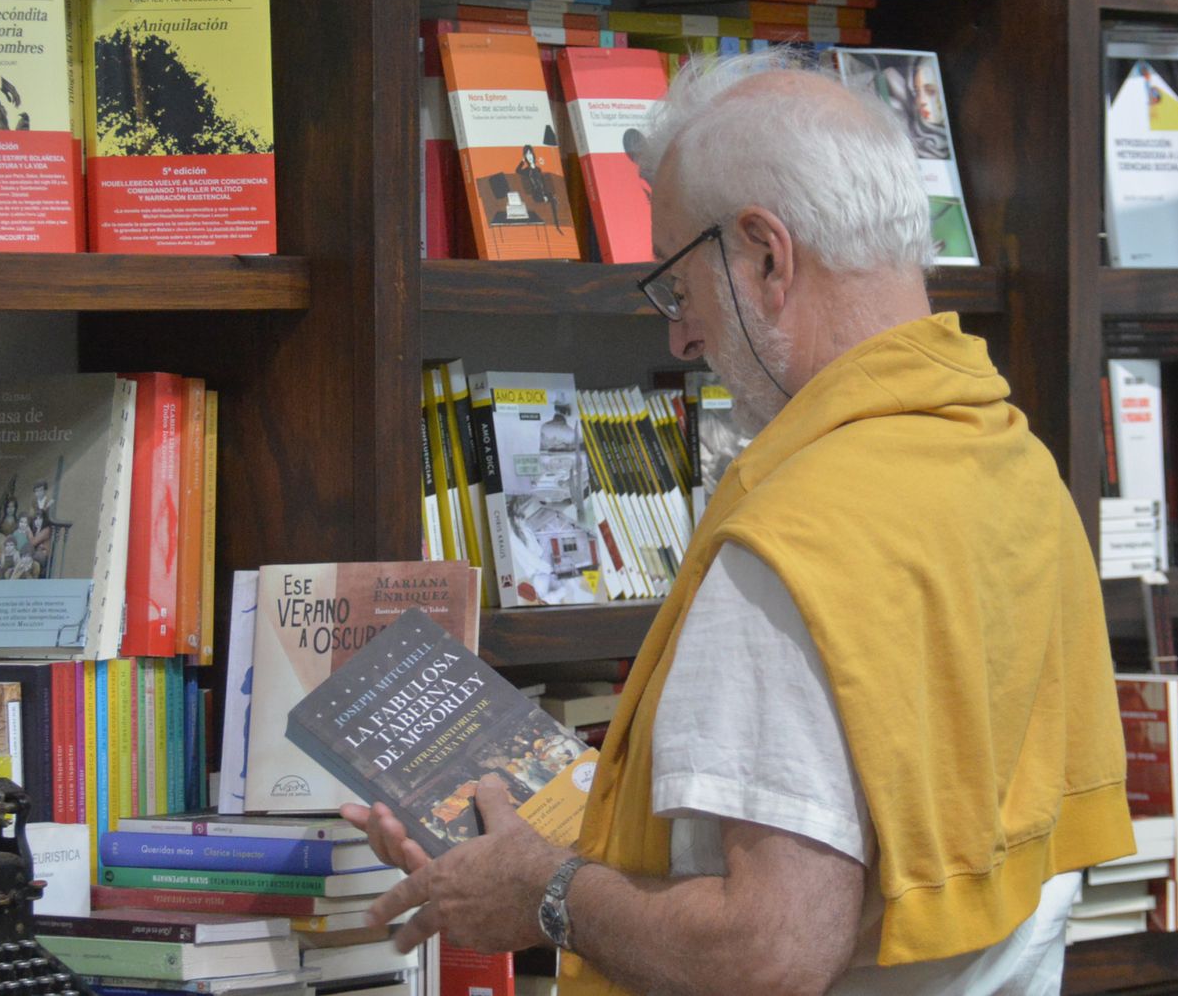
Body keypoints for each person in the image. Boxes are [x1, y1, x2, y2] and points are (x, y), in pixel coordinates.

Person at [346, 53, 1133, 995]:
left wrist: (545, 893)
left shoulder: (797, 542)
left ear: (765, 254)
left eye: (680, 285)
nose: (680, 336)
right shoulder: (1013, 463)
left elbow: (769, 948)